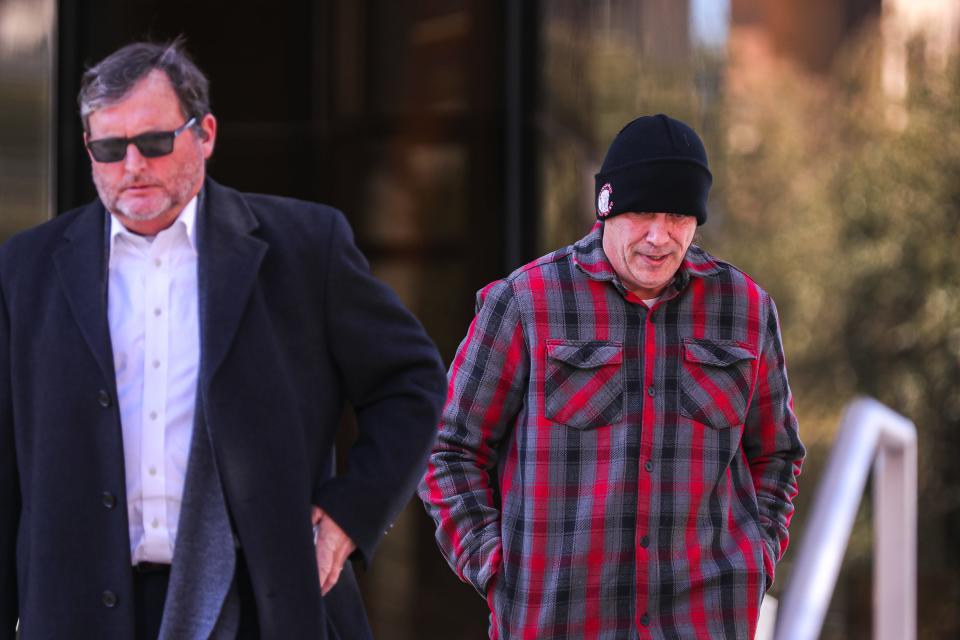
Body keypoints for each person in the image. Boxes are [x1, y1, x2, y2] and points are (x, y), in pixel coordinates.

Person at [0, 39, 446, 639]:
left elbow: (411, 382)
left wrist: (348, 515)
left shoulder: (305, 246)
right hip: (78, 610)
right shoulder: (28, 267)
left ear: (205, 133)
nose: (132, 166)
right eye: (109, 148)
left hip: (256, 605)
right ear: (88, 149)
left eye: (154, 143)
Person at [419, 114, 805, 639]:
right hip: (558, 623)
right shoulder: (527, 304)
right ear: (606, 209)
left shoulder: (746, 311)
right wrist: (494, 570)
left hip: (705, 622)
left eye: (679, 217)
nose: (659, 236)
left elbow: (776, 454)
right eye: (642, 212)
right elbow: (446, 449)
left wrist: (757, 556)